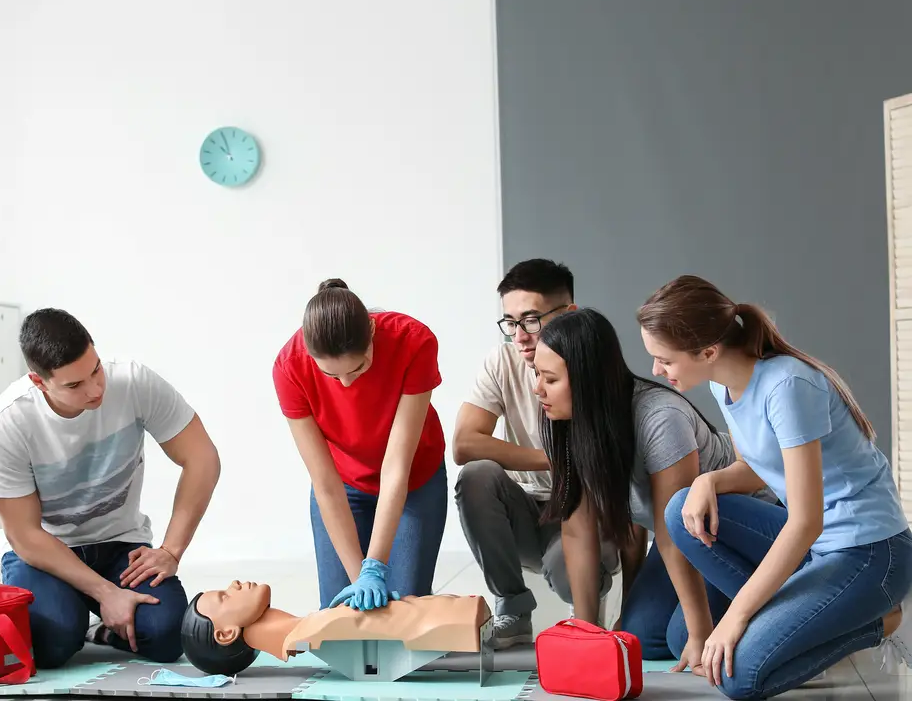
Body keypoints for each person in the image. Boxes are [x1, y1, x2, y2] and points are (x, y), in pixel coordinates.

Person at [637, 274, 912, 698]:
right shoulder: (722, 383)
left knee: (734, 675)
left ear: (708, 351)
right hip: (816, 549)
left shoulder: (787, 386)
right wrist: (708, 480)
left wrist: (736, 618)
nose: (656, 370)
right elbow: (758, 467)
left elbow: (805, 523)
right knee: (680, 510)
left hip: (871, 552)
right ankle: (794, 616)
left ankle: (877, 621)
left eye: (665, 360)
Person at [534, 308, 773, 671]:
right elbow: (579, 529)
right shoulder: (573, 422)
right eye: (537, 374)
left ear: (586, 381)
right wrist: (588, 635)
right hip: (689, 531)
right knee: (640, 637)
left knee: (683, 639)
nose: (537, 388)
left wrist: (698, 633)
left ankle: (797, 605)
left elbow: (671, 532)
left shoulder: (660, 418)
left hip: (736, 526)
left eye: (549, 379)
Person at [0, 308, 221, 668]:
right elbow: (24, 535)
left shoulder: (134, 383)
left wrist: (171, 550)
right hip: (46, 552)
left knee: (169, 633)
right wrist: (106, 593)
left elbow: (203, 458)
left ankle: (102, 629)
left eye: (95, 369)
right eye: (75, 385)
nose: (95, 390)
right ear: (39, 382)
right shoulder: (9, 423)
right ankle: (76, 611)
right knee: (51, 643)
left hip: (118, 545)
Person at [452, 259, 619, 647]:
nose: (520, 336)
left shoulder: (597, 367)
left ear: (569, 314)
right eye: (510, 322)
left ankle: (585, 613)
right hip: (527, 510)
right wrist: (553, 461)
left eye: (531, 320)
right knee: (476, 475)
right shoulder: (503, 362)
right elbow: (464, 443)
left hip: (588, 511)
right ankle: (513, 608)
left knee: (569, 572)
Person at [272, 279, 446, 611]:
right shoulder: (289, 367)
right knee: (344, 617)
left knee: (402, 614)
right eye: (333, 376)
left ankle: (415, 584)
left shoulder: (413, 341)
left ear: (371, 329)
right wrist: (359, 580)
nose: (348, 383)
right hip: (343, 483)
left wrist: (375, 567)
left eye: (359, 367)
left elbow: (396, 465)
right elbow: (324, 483)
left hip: (413, 480)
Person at [180, 580, 486, 676]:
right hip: (457, 617)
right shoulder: (322, 628)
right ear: (226, 634)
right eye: (224, 596)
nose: (233, 584)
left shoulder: (319, 624)